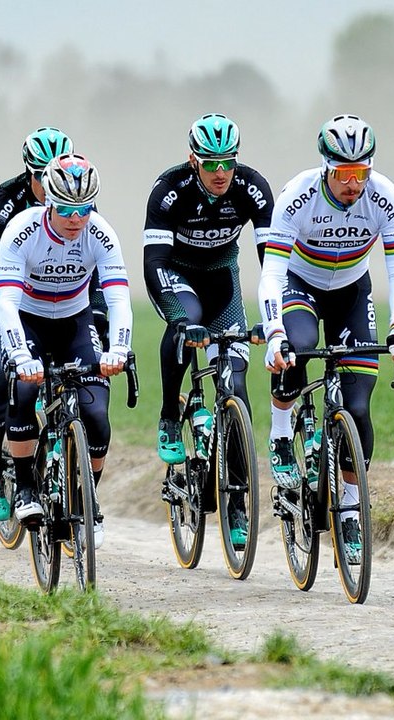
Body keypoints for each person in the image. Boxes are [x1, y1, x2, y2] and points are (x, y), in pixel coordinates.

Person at [258, 113, 394, 558]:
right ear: (326, 167)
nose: (354, 183)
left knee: (359, 407)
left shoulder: (385, 198)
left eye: (361, 172)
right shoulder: (297, 196)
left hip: (351, 290)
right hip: (299, 284)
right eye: (345, 173)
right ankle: (282, 432)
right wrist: (274, 335)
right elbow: (271, 273)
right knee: (298, 347)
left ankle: (349, 509)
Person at [143, 113, 273, 546]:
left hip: (223, 281)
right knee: (189, 322)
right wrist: (177, 317)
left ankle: (237, 503)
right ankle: (167, 415)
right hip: (177, 277)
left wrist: (272, 315)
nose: (221, 172)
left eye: (228, 162)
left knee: (235, 387)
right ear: (193, 160)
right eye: (211, 163)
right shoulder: (169, 190)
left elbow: (271, 263)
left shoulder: (251, 188)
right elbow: (153, 263)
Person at [0, 153, 134, 548]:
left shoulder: (100, 233)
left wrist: (118, 349)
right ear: (48, 203)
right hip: (29, 318)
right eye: (68, 209)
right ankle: (23, 486)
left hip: (75, 320)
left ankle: (87, 496)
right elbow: (5, 302)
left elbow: (119, 297)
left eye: (85, 209)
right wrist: (21, 356)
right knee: (23, 391)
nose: (76, 219)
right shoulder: (22, 231)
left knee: (96, 415)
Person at [0, 126, 75, 521]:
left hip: (53, 285)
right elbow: (3, 280)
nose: (50, 189)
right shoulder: (3, 202)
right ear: (27, 173)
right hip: (0, 281)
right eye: (40, 178)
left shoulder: (76, 199)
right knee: (2, 367)